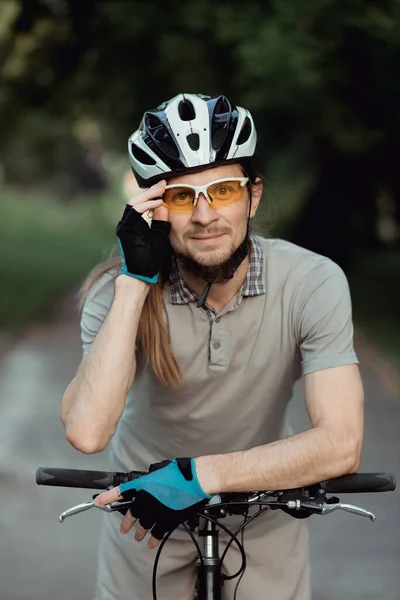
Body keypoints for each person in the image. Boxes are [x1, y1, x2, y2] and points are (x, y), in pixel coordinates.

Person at [60, 93, 364, 600]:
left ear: (254, 197)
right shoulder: (116, 293)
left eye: (223, 190)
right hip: (146, 516)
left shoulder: (313, 281)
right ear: (155, 209)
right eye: (182, 197)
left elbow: (342, 442)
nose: (205, 216)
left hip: (265, 511)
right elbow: (88, 431)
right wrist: (134, 283)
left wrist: (201, 475)